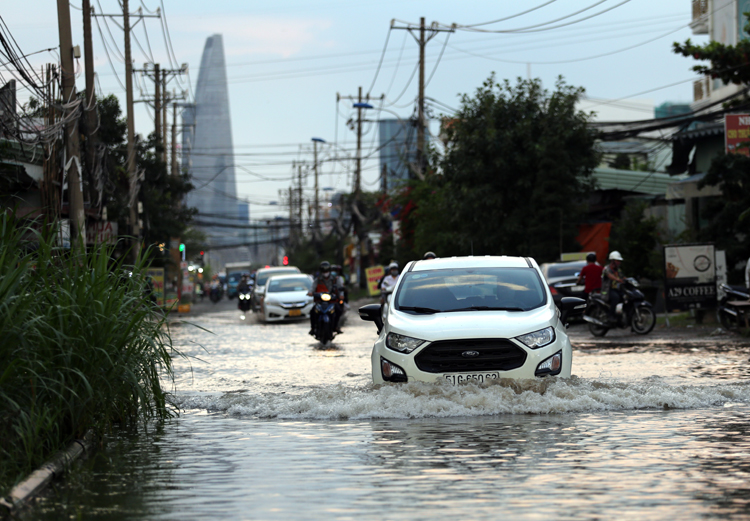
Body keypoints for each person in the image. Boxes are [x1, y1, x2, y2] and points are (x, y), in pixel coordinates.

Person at [308, 261, 342, 335]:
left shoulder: (335, 279)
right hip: (320, 301)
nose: (325, 272)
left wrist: (341, 295)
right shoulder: (318, 279)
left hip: (332, 301)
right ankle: (313, 328)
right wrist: (310, 292)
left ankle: (336, 327)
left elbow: (340, 288)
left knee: (338, 310)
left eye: (326, 271)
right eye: (324, 271)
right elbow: (312, 288)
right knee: (312, 312)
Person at [601, 251, 626, 324]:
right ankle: (610, 316)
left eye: (619, 261)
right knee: (615, 297)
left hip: (616, 289)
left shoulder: (618, 270)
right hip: (607, 291)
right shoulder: (606, 269)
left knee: (625, 297)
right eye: (617, 261)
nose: (619, 262)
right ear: (612, 261)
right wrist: (617, 279)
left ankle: (620, 315)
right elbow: (609, 275)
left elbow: (623, 276)